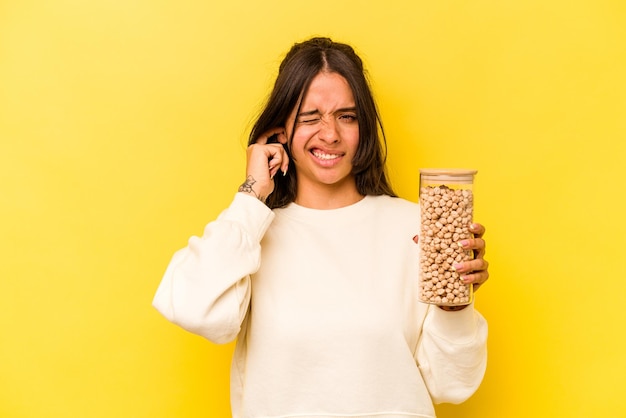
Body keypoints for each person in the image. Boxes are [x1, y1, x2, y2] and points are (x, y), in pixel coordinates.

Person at [153, 37, 489, 418]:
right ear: (279, 133)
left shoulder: (417, 228)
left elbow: (451, 384)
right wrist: (252, 195)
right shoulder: (252, 233)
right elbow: (194, 308)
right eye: (311, 117)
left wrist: (454, 305)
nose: (330, 134)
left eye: (346, 116)